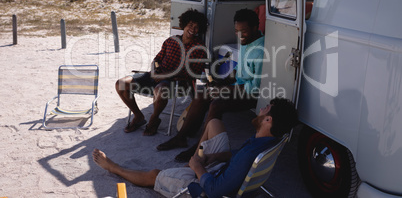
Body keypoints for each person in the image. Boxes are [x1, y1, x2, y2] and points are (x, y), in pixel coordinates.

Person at [93, 97, 298, 198]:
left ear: (268, 119)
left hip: (207, 186)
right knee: (214, 122)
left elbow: (214, 191)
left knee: (154, 174)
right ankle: (192, 158)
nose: (261, 109)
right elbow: (238, 156)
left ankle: (113, 167)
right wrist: (213, 156)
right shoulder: (269, 141)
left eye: (265, 109)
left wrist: (199, 169)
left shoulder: (249, 155)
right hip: (225, 169)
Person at [157, 8, 265, 160]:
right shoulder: (247, 41)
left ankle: (199, 146)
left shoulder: (260, 51)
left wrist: (224, 89)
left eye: (244, 31)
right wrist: (221, 81)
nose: (239, 35)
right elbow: (238, 69)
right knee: (202, 93)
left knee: (216, 104)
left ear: (255, 27)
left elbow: (254, 88)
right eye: (237, 31)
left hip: (250, 94)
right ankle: (181, 136)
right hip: (236, 87)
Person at [116, 9, 207, 136]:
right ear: (184, 24)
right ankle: (138, 116)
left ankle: (154, 119)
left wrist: (165, 76)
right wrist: (154, 71)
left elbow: (193, 73)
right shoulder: (171, 40)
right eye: (190, 25)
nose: (193, 29)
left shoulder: (199, 48)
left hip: (177, 82)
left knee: (160, 89)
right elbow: (157, 59)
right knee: (121, 83)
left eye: (197, 27)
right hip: (156, 75)